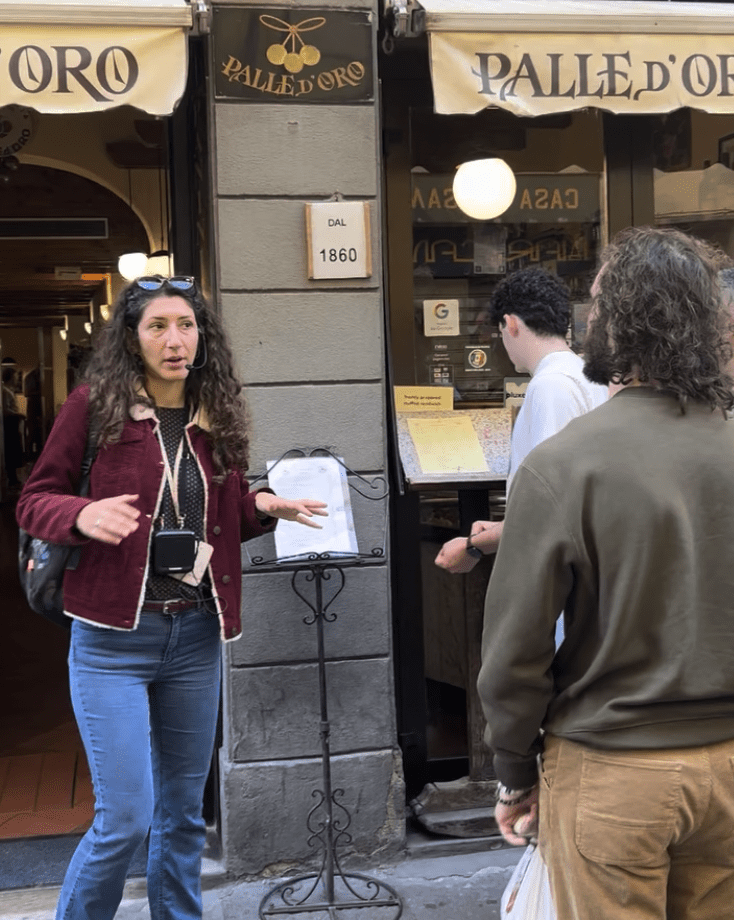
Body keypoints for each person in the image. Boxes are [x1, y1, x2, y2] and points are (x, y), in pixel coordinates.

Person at [16, 275, 327, 920]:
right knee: (126, 816)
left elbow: (227, 508)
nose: (174, 339)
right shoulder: (92, 407)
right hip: (110, 642)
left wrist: (264, 505)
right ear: (132, 339)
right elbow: (34, 499)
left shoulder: (216, 415)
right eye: (157, 326)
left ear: (201, 338)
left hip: (192, 637)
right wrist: (81, 514)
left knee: (182, 814)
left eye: (185, 326)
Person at [477, 227, 734, 919]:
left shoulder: (564, 465)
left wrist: (512, 774)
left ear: (621, 318)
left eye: (596, 300)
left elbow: (514, 655)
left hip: (614, 766)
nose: (588, 317)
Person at [434, 268, 607, 574]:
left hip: (561, 570)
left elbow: (549, 503)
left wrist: (474, 545)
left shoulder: (550, 386)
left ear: (510, 324)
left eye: (500, 331)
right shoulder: (586, 375)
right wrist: (500, 528)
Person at [3, 360, 24, 489]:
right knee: (11, 451)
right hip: (9, 424)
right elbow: (5, 410)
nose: (17, 379)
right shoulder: (5, 391)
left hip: (12, 423)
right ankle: (12, 479)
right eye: (15, 376)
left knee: (13, 451)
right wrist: (18, 415)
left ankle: (13, 478)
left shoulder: (8, 390)